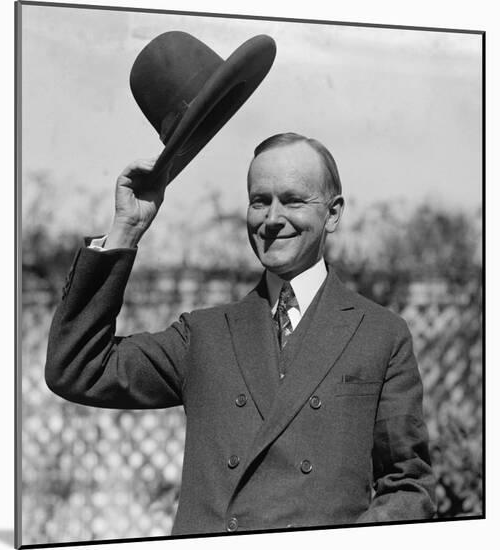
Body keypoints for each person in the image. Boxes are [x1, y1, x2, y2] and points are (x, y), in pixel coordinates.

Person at [45, 132, 436, 535]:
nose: (271, 219)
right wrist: (126, 228)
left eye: (293, 200)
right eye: (259, 201)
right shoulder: (205, 335)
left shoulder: (380, 334)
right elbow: (77, 368)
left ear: (333, 214)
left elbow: (408, 488)